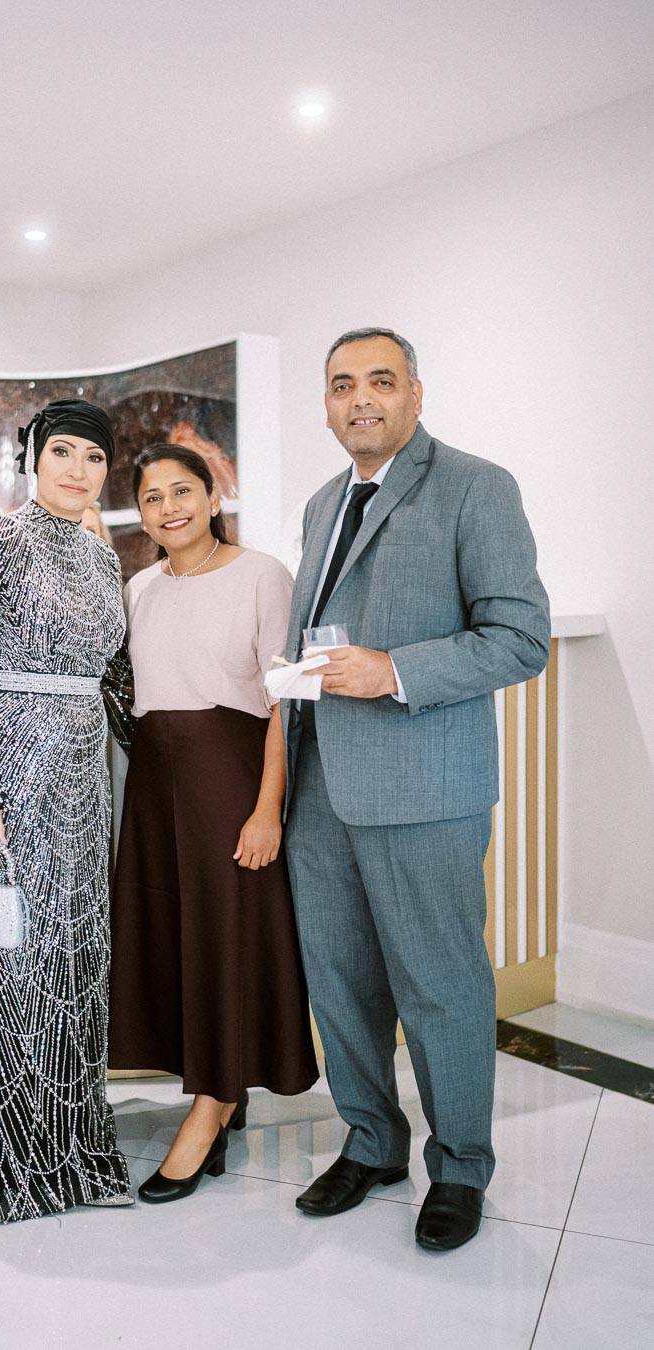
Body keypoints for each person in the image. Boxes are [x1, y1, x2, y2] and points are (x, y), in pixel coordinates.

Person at [282, 328, 550, 1251]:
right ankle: (371, 1141)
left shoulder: (476, 486)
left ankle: (462, 1166)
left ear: (415, 394)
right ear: (326, 404)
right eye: (342, 384)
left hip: (425, 786)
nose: (361, 398)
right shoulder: (321, 504)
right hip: (320, 788)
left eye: (381, 381)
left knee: (440, 986)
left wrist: (393, 670)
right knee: (341, 985)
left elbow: (521, 637)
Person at [0, 398, 134, 1225]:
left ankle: (69, 1142)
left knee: (77, 951)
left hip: (83, 775)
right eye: (63, 452)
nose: (79, 470)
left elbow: (115, 677)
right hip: (9, 773)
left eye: (94, 457)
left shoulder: (103, 559)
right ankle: (4, 1150)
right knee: (17, 953)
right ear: (33, 458)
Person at [108, 444, 318, 1203]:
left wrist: (267, 809)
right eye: (152, 497)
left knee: (226, 937)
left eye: (182, 491)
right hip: (155, 783)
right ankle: (217, 1088)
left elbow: (287, 701)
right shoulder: (138, 588)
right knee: (177, 939)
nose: (169, 507)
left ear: (211, 496)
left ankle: (212, 1106)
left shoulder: (262, 575)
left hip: (230, 778)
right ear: (141, 516)